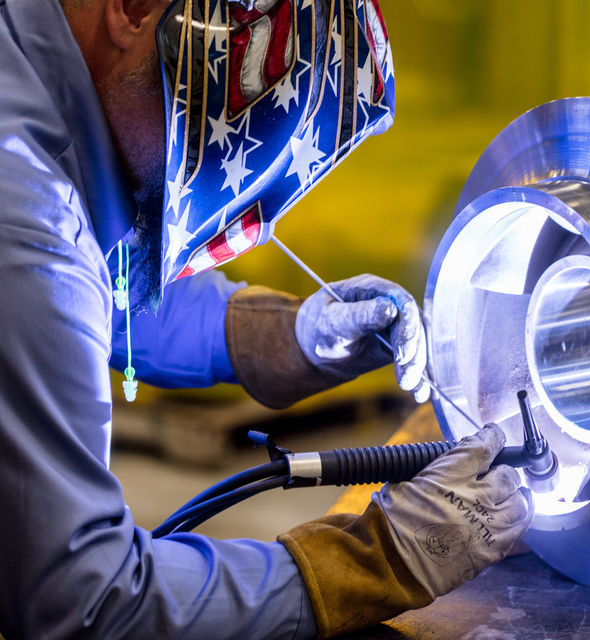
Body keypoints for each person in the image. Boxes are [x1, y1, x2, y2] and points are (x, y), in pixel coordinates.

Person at [0, 0, 533, 638]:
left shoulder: (39, 97)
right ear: (137, 11)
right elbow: (81, 599)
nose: (241, 205)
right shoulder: (25, 211)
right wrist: (372, 563)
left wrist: (292, 336)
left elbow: (96, 297)